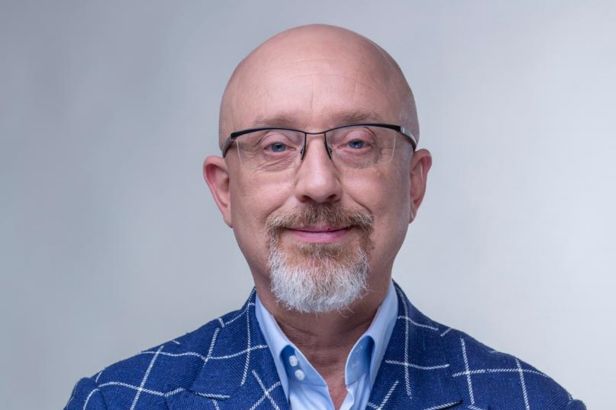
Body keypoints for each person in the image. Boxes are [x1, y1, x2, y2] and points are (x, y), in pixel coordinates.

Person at [66, 24, 585, 410]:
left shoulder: (531, 403)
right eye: (275, 145)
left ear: (413, 183)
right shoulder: (119, 401)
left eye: (357, 142)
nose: (318, 184)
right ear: (224, 191)